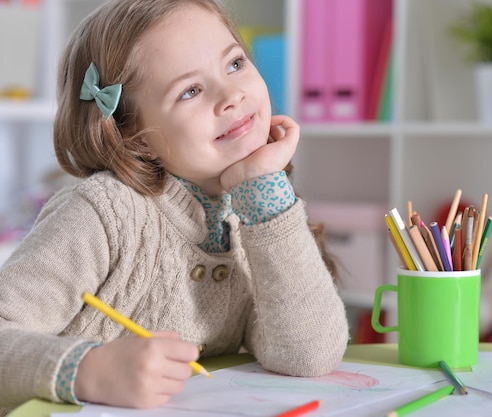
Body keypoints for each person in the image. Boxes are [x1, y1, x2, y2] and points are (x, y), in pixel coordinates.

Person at [0, 0, 349, 413]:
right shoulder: (103, 212)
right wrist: (87, 370)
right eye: (190, 91)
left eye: (235, 63)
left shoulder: (251, 208)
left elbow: (308, 356)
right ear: (137, 136)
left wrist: (266, 192)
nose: (231, 95)